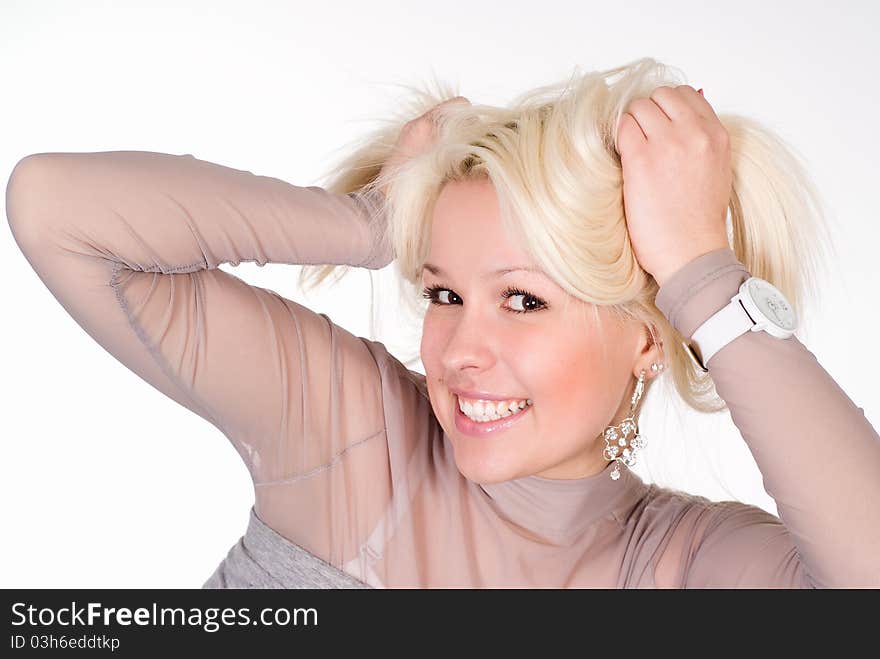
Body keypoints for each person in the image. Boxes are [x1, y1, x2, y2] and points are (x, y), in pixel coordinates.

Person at [6, 58, 879, 588]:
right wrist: (371, 223)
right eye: (444, 293)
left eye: (524, 300)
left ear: (651, 335)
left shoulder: (682, 564)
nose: (460, 351)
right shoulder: (358, 432)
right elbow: (56, 210)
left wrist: (701, 272)